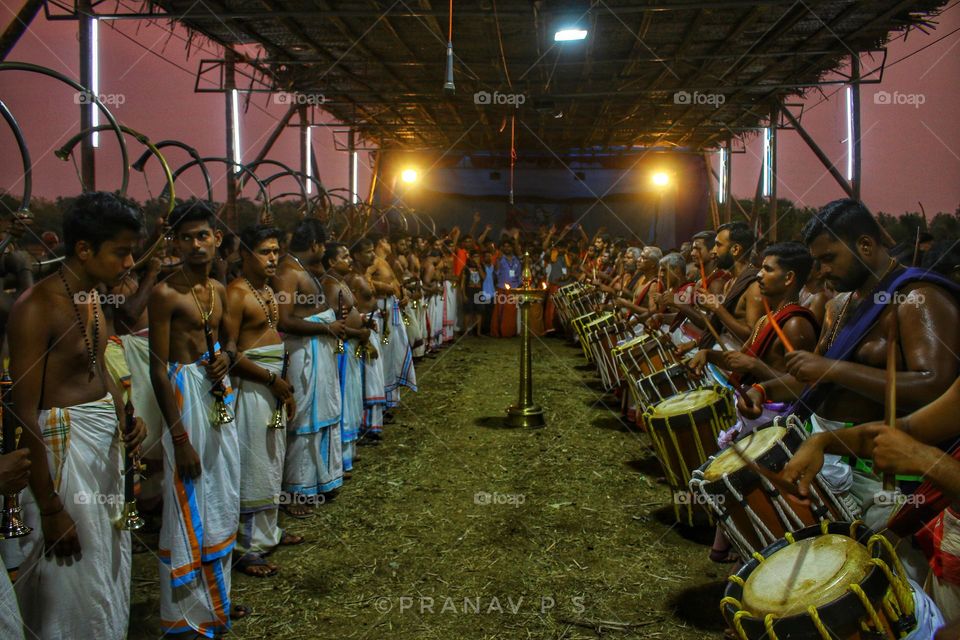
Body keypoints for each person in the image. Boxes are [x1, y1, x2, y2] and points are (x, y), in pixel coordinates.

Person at [741, 199, 960, 531]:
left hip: (891, 475)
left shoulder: (918, 298)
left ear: (866, 245)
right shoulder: (841, 306)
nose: (822, 270)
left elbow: (935, 385)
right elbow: (818, 378)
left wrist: (831, 370)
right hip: (835, 452)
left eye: (829, 258)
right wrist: (763, 389)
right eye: (817, 261)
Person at [9, 191, 147, 639]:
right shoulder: (36, 307)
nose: (130, 262)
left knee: (105, 563)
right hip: (63, 457)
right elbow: (23, 408)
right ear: (84, 249)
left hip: (101, 445)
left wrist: (126, 414)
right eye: (121, 251)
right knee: (70, 579)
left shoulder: (93, 297)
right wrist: (50, 508)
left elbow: (98, 364)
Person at [147, 201, 244, 636]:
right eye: (185, 237)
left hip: (218, 398)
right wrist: (179, 437)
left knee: (219, 493)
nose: (195, 244)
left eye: (202, 235)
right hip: (185, 400)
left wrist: (226, 356)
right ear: (176, 243)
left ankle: (216, 601)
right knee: (189, 494)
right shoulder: (166, 293)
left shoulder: (220, 290)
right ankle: (186, 617)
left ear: (216, 239)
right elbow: (155, 368)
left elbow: (230, 343)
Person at [224, 225, 302, 577]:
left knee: (272, 459)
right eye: (264, 251)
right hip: (252, 389)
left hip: (273, 387)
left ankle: (268, 531)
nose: (272, 258)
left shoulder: (269, 291)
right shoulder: (237, 294)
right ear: (245, 254)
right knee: (253, 464)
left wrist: (283, 386)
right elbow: (228, 353)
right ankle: (245, 546)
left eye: (275, 251)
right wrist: (272, 380)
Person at [273, 221, 345, 514]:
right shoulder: (288, 273)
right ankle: (294, 491)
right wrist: (326, 328)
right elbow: (284, 321)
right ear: (316, 245)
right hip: (302, 354)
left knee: (318, 417)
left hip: (317, 353)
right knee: (302, 419)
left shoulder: (302, 269)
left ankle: (316, 481)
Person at [321, 244, 371, 477]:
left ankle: (349, 450)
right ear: (331, 262)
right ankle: (340, 457)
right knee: (343, 398)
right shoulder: (330, 285)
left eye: (350, 255)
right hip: (341, 349)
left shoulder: (341, 282)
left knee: (351, 397)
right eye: (344, 256)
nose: (349, 259)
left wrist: (361, 321)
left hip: (351, 347)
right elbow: (335, 324)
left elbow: (348, 314)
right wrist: (358, 333)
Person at [349, 239, 387, 442]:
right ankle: (362, 426)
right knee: (365, 379)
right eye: (368, 252)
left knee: (373, 376)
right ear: (356, 255)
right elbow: (349, 307)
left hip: (371, 327)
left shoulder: (364, 276)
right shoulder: (353, 279)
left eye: (373, 251)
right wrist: (362, 325)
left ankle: (371, 425)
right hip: (361, 333)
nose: (373, 256)